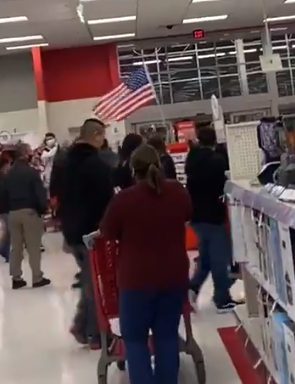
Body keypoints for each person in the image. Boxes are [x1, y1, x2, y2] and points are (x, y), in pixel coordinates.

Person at [100, 144, 192, 384]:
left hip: (136, 279)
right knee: (166, 337)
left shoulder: (124, 199)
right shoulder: (177, 191)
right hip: (174, 275)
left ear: (133, 170)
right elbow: (187, 214)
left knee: (135, 340)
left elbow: (107, 231)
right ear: (160, 165)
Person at [58, 118, 115, 347]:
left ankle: (81, 327)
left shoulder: (64, 163)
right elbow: (106, 201)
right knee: (94, 284)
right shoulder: (96, 165)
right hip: (91, 232)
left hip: (72, 231)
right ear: (97, 135)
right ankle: (93, 332)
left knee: (89, 280)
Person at [185, 127, 236, 313]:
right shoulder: (217, 160)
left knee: (206, 257)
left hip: (196, 215)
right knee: (219, 259)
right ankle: (222, 298)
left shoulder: (191, 159)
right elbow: (223, 184)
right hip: (214, 215)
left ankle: (192, 287)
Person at [4, 143, 50, 289]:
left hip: (12, 212)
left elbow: (3, 194)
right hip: (29, 211)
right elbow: (39, 194)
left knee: (16, 247)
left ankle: (16, 278)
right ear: (25, 154)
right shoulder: (31, 172)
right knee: (33, 246)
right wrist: (44, 210)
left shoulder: (9, 173)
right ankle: (37, 277)